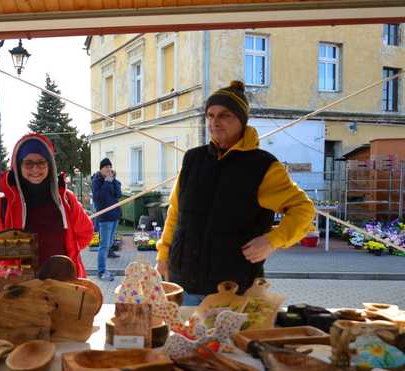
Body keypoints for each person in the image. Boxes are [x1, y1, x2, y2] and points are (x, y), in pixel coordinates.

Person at [156, 80, 315, 306]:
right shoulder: (193, 160)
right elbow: (176, 213)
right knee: (183, 341)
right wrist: (163, 256)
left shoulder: (263, 166)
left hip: (234, 288)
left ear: (241, 120)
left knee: (229, 343)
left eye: (224, 115)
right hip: (184, 283)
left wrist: (273, 240)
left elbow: (304, 209)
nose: (215, 122)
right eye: (210, 116)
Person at [0, 133, 94, 277]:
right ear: (18, 166)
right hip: (19, 293)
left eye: (41, 162)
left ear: (50, 165)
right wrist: (0, 269)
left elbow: (86, 233)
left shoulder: (66, 199)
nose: (35, 169)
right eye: (28, 163)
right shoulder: (2, 203)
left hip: (62, 288)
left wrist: (67, 253)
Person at [91, 158, 122, 281]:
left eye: (110, 167)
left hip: (114, 216)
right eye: (106, 167)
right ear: (101, 169)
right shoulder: (96, 181)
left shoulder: (111, 180)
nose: (108, 169)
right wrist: (107, 182)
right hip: (105, 217)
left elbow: (118, 194)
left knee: (109, 244)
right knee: (104, 245)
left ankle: (105, 269)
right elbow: (99, 198)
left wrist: (114, 181)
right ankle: (101, 271)